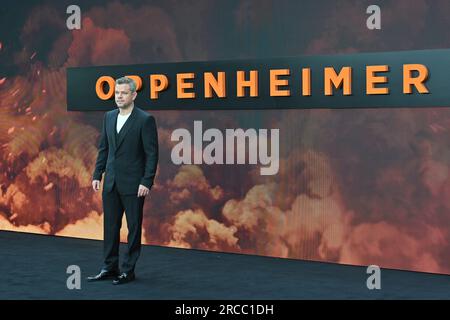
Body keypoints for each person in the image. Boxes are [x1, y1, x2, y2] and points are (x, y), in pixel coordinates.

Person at [87, 76, 158, 285]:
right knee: (110, 227)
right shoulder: (108, 117)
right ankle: (109, 267)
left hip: (135, 185)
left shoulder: (145, 120)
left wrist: (147, 181)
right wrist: (97, 174)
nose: (119, 96)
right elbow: (104, 148)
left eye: (123, 93)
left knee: (134, 228)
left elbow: (151, 154)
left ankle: (128, 270)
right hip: (111, 182)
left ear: (133, 95)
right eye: (117, 93)